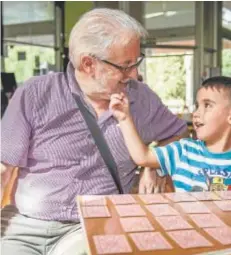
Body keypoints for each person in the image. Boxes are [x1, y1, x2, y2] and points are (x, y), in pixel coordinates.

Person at [1, 8, 187, 255]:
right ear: (88, 63)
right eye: (125, 65)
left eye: (136, 62)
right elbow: (4, 168)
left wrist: (154, 165)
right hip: (26, 224)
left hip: (94, 225)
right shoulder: (35, 94)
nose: (135, 74)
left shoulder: (142, 99)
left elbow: (178, 133)